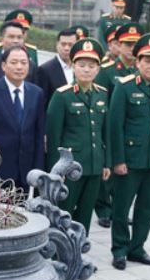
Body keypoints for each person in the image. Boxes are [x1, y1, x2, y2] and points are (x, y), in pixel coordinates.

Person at [108, 33, 150, 271]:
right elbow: (114, 126)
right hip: (129, 161)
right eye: (147, 60)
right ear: (137, 62)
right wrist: (117, 160)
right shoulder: (124, 87)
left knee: (146, 209)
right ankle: (119, 250)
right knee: (121, 207)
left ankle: (137, 248)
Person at [46, 39, 110, 236]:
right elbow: (54, 137)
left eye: (92, 66)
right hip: (70, 167)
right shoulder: (62, 96)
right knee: (65, 211)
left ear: (98, 69)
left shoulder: (102, 94)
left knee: (85, 212)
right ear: (73, 66)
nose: (86, 70)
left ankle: (80, 252)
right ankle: (61, 254)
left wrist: (106, 163)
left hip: (94, 165)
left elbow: (104, 133)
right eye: (81, 65)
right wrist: (55, 171)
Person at [0, 46, 45, 191]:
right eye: (14, 62)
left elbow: (38, 135)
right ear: (3, 66)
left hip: (26, 170)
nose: (19, 67)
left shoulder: (36, 93)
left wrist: (38, 170)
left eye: (24, 63)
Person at [94, 23, 142, 228]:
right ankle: (104, 208)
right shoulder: (107, 71)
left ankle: (119, 208)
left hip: (130, 129)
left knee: (125, 171)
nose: (131, 48)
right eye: (127, 44)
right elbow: (100, 97)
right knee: (108, 169)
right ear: (118, 45)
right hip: (109, 125)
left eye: (135, 44)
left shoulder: (139, 71)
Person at [36, 28, 77, 107]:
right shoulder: (45, 70)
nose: (66, 48)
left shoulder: (80, 68)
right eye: (63, 44)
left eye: (70, 45)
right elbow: (42, 103)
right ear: (57, 45)